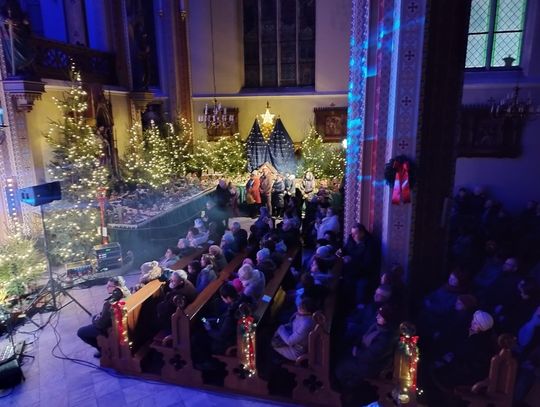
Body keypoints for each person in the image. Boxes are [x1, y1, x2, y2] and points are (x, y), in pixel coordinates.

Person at [77, 278, 127, 358]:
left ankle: (104, 350)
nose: (107, 287)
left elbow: (101, 325)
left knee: (81, 332)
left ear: (116, 287)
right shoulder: (127, 294)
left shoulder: (110, 303)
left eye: (109, 286)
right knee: (95, 317)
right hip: (123, 325)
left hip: (112, 330)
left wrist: (95, 320)